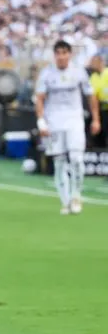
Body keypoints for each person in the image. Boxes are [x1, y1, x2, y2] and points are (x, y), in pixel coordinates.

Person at [35, 40, 101, 215]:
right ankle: (65, 201)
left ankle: (76, 195)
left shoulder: (79, 71)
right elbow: (40, 98)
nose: (62, 57)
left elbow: (90, 95)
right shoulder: (47, 73)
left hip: (74, 119)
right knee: (59, 162)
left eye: (65, 53)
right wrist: (41, 121)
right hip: (54, 120)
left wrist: (96, 119)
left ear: (69, 54)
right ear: (55, 55)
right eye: (58, 53)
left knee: (77, 159)